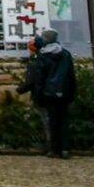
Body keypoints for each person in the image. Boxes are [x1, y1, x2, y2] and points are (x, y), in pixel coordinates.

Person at [16, 26, 76, 158]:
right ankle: (65, 148)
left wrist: (35, 93)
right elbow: (70, 75)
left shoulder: (43, 56)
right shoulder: (65, 54)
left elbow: (39, 78)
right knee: (64, 120)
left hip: (49, 93)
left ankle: (55, 149)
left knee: (52, 121)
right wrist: (71, 92)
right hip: (64, 92)